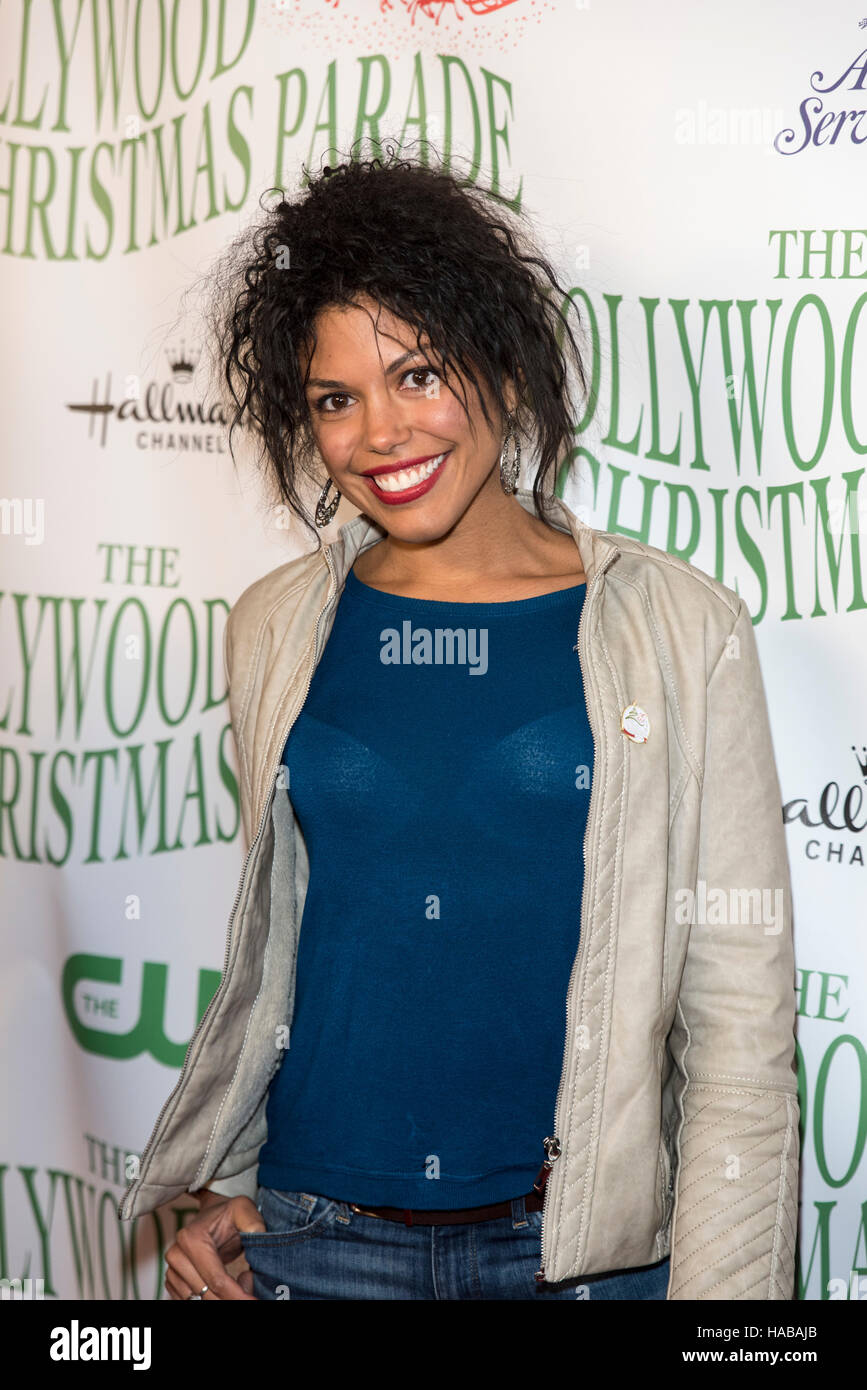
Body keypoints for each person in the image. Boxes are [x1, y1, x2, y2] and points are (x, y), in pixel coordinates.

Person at [118, 148, 800, 1302]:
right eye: (336, 399)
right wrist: (226, 1181)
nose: (380, 434)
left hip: (584, 1260)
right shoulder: (275, 628)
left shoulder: (680, 628)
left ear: (503, 366)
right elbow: (286, 945)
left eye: (420, 374)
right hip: (314, 1241)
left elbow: (739, 1027)